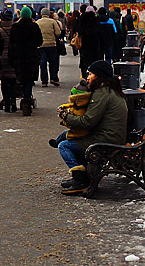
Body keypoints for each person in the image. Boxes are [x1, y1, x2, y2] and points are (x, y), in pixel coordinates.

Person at [51, 60, 127, 194]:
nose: (87, 77)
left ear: (98, 76)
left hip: (107, 140)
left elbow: (88, 122)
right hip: (111, 135)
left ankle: (81, 180)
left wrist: (66, 116)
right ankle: (83, 175)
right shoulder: (109, 90)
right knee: (67, 137)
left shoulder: (102, 93)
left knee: (64, 146)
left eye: (90, 74)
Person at [8, 6, 43, 116]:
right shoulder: (34, 26)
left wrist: (11, 58)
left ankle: (18, 99)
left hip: (19, 57)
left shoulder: (15, 27)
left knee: (20, 79)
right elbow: (39, 42)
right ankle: (27, 102)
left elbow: (11, 44)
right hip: (31, 57)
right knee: (29, 80)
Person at [0, 9, 18, 113]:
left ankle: (7, 103)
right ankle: (13, 101)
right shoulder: (15, 29)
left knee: (4, 82)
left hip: (2, 59)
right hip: (14, 58)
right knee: (13, 81)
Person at [37, 8, 62, 87]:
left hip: (41, 45)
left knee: (42, 63)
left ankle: (44, 81)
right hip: (52, 44)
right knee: (53, 62)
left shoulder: (38, 22)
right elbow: (58, 33)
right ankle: (53, 78)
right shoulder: (53, 22)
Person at [77, 6, 101, 78]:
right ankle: (94, 75)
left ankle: (85, 75)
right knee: (94, 59)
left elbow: (79, 30)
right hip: (94, 43)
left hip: (85, 43)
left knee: (85, 59)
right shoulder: (96, 19)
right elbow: (98, 30)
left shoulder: (82, 19)